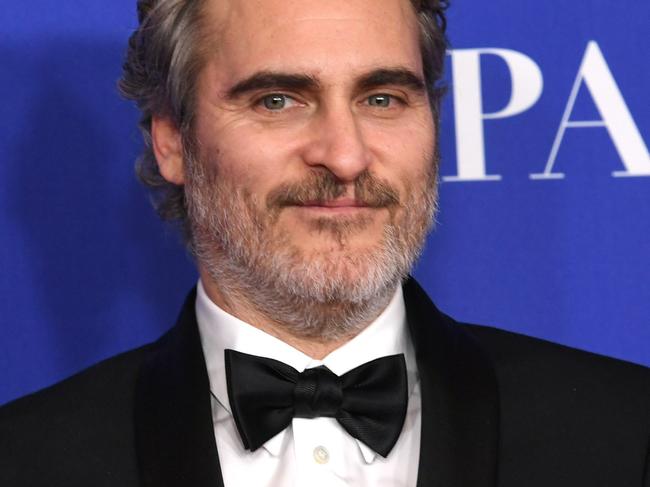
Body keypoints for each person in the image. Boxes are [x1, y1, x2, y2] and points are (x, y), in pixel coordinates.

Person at [1, 0, 648, 486]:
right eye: (279, 99)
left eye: (384, 97)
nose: (345, 155)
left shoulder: (623, 436)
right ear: (172, 138)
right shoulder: (30, 459)